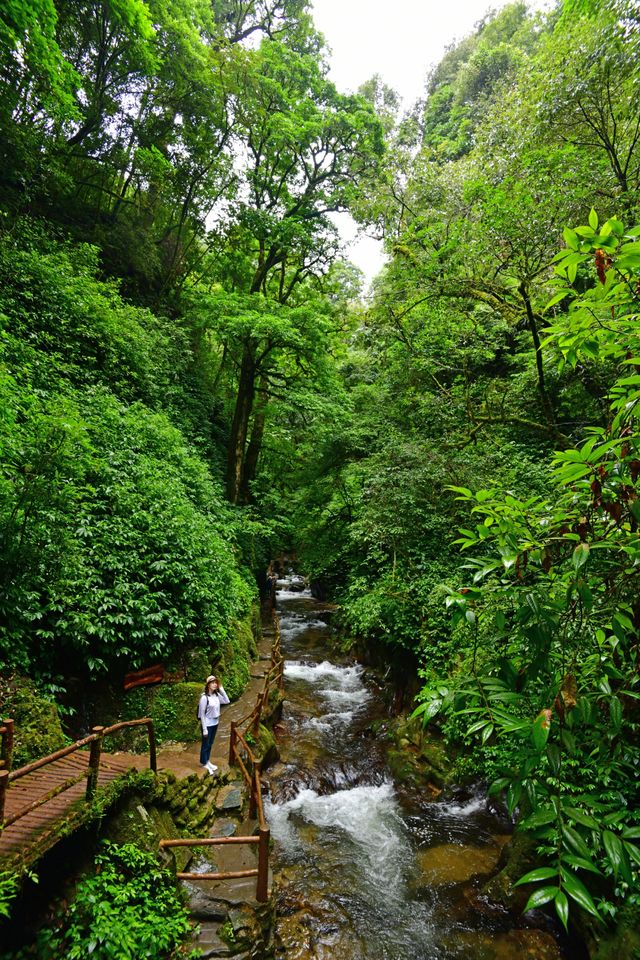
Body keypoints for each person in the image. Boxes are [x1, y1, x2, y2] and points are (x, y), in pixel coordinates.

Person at [198, 675, 230, 775]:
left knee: (210, 743)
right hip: (207, 724)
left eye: (216, 682)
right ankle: (204, 763)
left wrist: (221, 689)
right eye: (212, 683)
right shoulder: (204, 697)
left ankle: (208, 761)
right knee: (205, 744)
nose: (215, 684)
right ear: (208, 685)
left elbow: (227, 701)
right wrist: (204, 729)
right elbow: (202, 715)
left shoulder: (216, 695)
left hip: (215, 723)